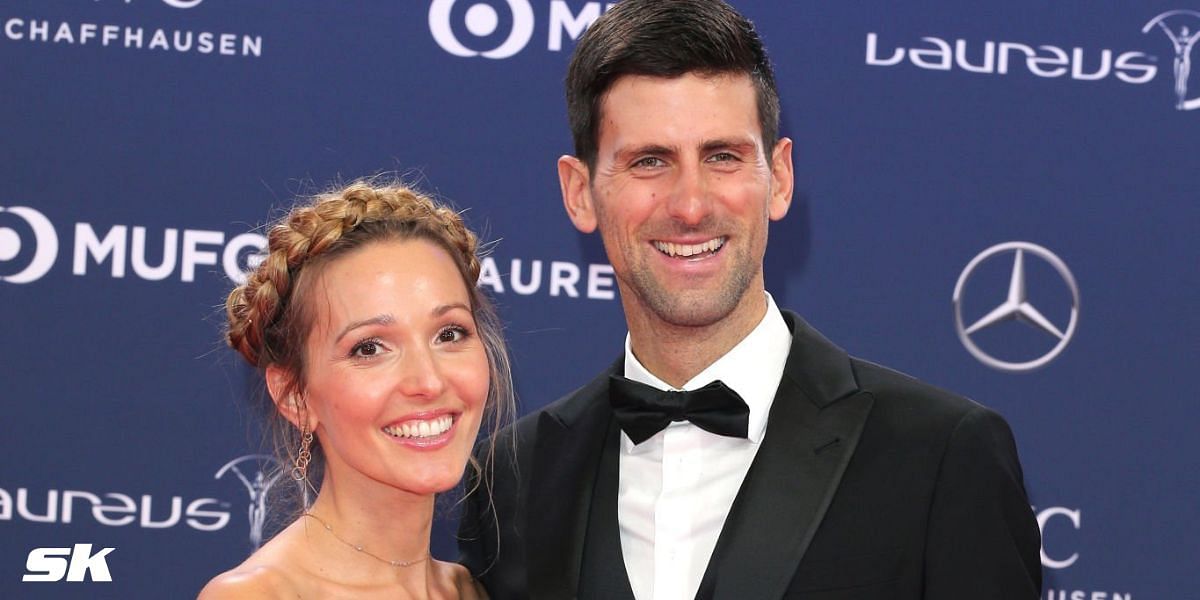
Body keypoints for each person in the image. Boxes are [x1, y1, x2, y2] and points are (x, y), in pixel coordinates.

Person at [457, 1, 1042, 598]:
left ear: (779, 177)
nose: (690, 206)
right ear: (579, 193)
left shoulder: (940, 457)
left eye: (722, 157)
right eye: (650, 162)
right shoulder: (513, 480)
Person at [200, 180, 512, 599]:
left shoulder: (472, 590)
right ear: (295, 395)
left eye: (449, 334)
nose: (429, 381)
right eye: (369, 348)